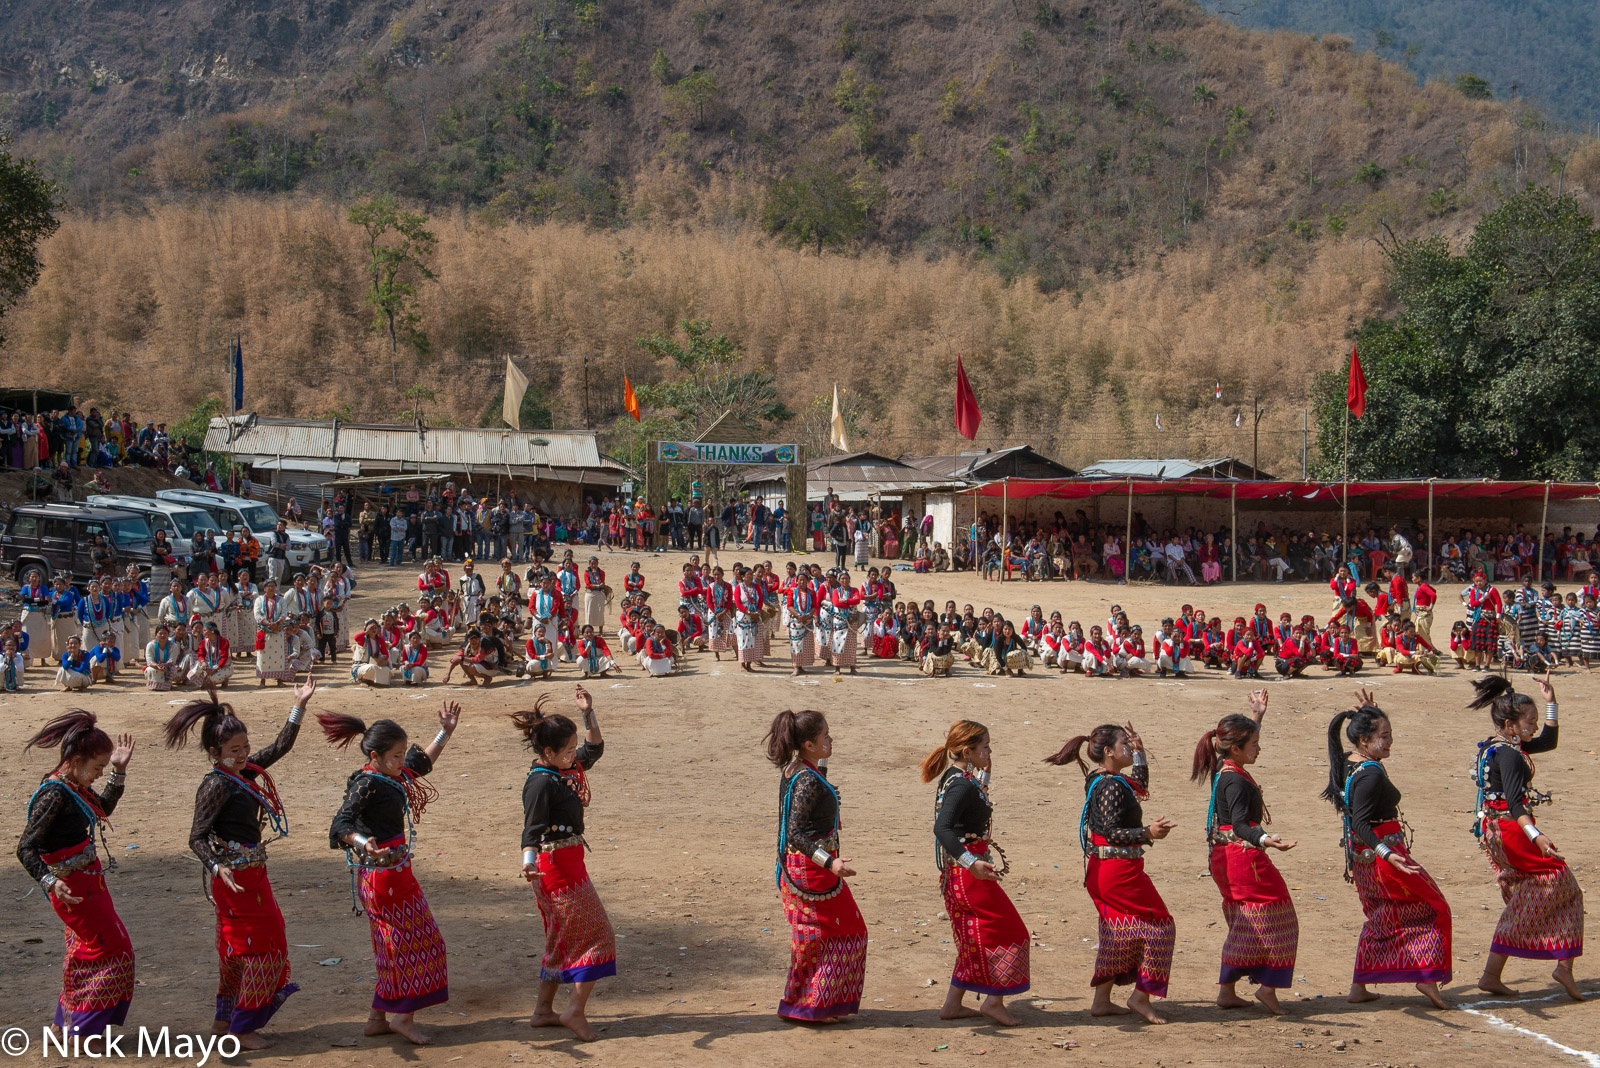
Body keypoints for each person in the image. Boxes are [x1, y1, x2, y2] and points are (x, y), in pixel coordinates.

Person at [166, 681, 314, 1049]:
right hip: (233, 879)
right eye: (235, 749)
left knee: (238, 948)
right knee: (265, 945)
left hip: (252, 873)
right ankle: (242, 1027)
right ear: (215, 752)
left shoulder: (243, 772)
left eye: (246, 746)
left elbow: (280, 746)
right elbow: (196, 837)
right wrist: (218, 867)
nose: (245, 753)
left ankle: (224, 1018)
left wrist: (298, 705)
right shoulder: (215, 785)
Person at [322, 702, 459, 1045]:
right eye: (396, 756)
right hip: (384, 879)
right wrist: (364, 843)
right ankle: (403, 1017)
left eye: (401, 754)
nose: (402, 761)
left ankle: (376, 1019)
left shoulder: (389, 775)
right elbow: (340, 824)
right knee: (420, 945)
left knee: (390, 947)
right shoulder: (367, 784)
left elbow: (420, 763)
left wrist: (445, 731)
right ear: (375, 756)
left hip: (394, 875)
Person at [1322, 694, 1451, 1008]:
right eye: (1384, 736)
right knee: (1432, 906)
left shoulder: (1348, 763)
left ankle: (1360, 985)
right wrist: (1387, 853)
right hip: (1383, 857)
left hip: (1364, 858)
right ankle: (1426, 977)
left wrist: (1370, 711)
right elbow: (1362, 821)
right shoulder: (1371, 774)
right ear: (1365, 740)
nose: (1391, 741)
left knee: (1381, 917)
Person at [16, 712, 137, 1034]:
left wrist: (118, 772)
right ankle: (84, 1031)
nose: (98, 774)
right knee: (110, 950)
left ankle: (66, 1024)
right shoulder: (54, 793)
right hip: (70, 889)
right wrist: (51, 881)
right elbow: (25, 848)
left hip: (86, 883)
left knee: (90, 951)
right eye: (96, 767)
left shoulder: (72, 786)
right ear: (76, 760)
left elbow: (101, 809)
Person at [1046, 721, 1174, 1024]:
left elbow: (1139, 785)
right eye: (1124, 745)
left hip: (1109, 869)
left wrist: (1140, 753)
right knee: (1161, 927)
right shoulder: (1110, 785)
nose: (1128, 748)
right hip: (1117, 872)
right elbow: (1111, 831)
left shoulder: (1106, 779)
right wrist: (1148, 832)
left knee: (1117, 933)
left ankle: (1102, 1001)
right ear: (1108, 752)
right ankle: (1141, 996)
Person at [1467, 674, 1583, 999]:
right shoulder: (1511, 755)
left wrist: (1551, 703)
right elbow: (1517, 804)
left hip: (1493, 829)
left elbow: (1548, 742)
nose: (1533, 727)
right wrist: (1537, 836)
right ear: (1511, 724)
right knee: (1563, 885)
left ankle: (1496, 974)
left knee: (1532, 894)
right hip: (1512, 830)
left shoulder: (1498, 745)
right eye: (1529, 722)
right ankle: (1563, 966)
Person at [515, 687, 615, 1042]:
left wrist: (588, 712)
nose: (576, 755)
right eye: (569, 750)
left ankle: (544, 1011)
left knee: (560, 939)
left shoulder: (561, 768)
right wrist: (528, 862)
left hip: (568, 863)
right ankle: (574, 1010)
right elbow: (532, 828)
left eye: (574, 748)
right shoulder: (542, 784)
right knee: (598, 935)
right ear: (548, 752)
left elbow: (595, 749)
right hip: (557, 868)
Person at [1192, 692, 1298, 1015]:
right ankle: (1267, 989)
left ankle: (1227, 990)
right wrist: (1265, 839)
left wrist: (1258, 716)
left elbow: (1243, 739)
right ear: (1235, 748)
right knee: (1280, 919)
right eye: (1253, 744)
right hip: (1242, 857)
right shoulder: (1235, 782)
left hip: (1224, 858)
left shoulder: (1223, 765)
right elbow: (1239, 824)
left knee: (1245, 918)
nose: (1258, 748)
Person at [923, 721, 1028, 1025]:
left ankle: (952, 1006)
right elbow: (942, 828)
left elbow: (973, 802)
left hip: (962, 874)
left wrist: (986, 771)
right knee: (1011, 933)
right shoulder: (960, 784)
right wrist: (970, 862)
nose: (990, 750)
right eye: (985, 747)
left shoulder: (960, 778)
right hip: (969, 876)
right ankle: (994, 1002)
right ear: (967, 751)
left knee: (973, 940)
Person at [767, 709, 867, 1024]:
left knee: (813, 938)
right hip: (811, 871)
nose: (831, 739)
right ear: (809, 744)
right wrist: (830, 861)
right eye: (825, 736)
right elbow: (796, 832)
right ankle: (812, 1005)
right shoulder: (807, 779)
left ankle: (807, 1003)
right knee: (846, 931)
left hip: (798, 869)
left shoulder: (797, 770)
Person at [253, 580, 292, 687]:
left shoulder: (281, 599)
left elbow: (284, 613)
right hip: (264, 631)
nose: (271, 588)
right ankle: (262, 680)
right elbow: (257, 614)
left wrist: (277, 623)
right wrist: (268, 624)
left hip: (277, 631)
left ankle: (279, 680)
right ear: (264, 588)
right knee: (262, 656)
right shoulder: (259, 600)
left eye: (273, 586)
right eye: (268, 586)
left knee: (279, 656)